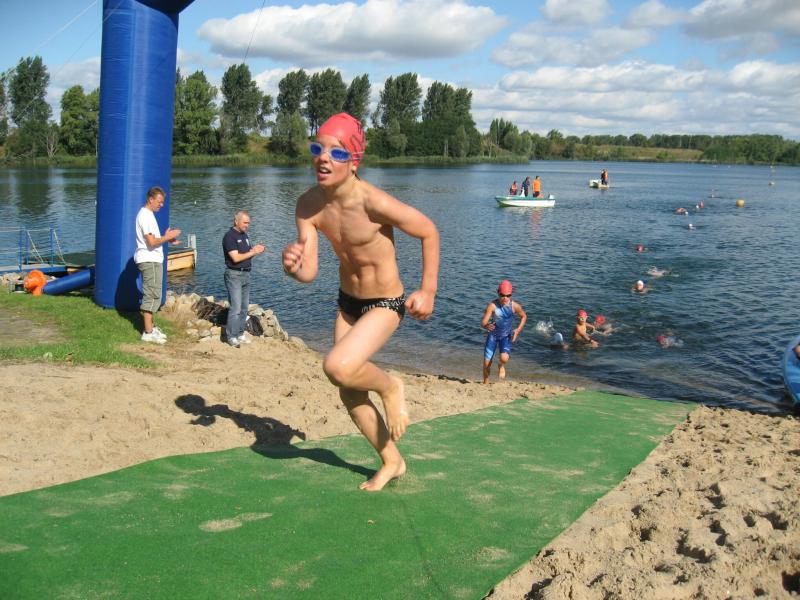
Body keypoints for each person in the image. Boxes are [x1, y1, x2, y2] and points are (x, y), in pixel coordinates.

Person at [282, 112, 440, 492]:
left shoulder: (373, 202)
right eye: (318, 148)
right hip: (348, 303)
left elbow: (428, 231)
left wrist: (428, 290)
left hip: (385, 302)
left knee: (337, 365)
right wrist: (294, 268)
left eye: (336, 153)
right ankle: (392, 460)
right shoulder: (308, 205)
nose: (323, 158)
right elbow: (310, 271)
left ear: (354, 162)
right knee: (348, 388)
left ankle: (390, 386)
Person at [134, 186, 181, 344]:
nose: (162, 205)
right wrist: (168, 237)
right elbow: (152, 242)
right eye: (159, 202)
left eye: (163, 202)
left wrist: (167, 238)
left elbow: (153, 240)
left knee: (155, 294)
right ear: (151, 199)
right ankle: (148, 332)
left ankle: (151, 328)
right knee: (152, 295)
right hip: (149, 260)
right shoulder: (145, 216)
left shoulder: (148, 215)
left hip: (153, 259)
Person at [222, 211, 266, 347]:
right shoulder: (229, 236)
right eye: (245, 222)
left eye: (248, 223)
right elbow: (235, 258)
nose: (247, 225)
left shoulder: (244, 235)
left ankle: (240, 333)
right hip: (234, 275)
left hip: (246, 274)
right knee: (235, 308)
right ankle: (231, 336)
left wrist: (255, 250)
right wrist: (253, 252)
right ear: (236, 221)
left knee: (243, 308)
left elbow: (246, 254)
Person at [481, 279, 527, 384]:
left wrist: (517, 330)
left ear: (511, 295)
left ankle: (501, 365)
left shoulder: (514, 306)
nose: (505, 298)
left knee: (504, 358)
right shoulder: (492, 306)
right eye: (502, 295)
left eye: (508, 295)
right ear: (498, 293)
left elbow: (524, 316)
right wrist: (486, 325)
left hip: (505, 336)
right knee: (486, 364)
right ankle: (485, 383)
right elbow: (483, 322)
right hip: (492, 336)